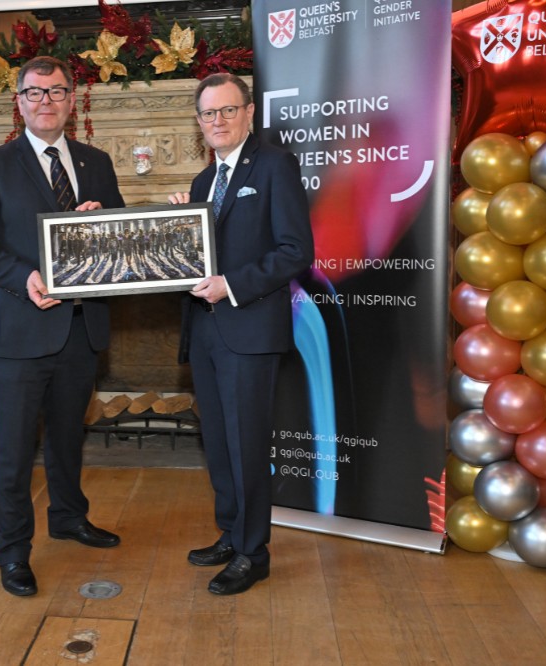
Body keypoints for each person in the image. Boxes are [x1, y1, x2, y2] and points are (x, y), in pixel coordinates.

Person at [0, 56, 125, 597]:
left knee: (67, 437)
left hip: (82, 328)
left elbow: (121, 235)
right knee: (11, 451)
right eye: (34, 93)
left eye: (56, 92)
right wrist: (26, 275)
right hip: (20, 332)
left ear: (72, 100)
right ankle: (11, 551)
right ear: (20, 102)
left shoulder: (96, 162)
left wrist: (100, 226)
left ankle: (69, 517)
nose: (45, 101)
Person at [169, 73, 314, 595]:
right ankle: (231, 533)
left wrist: (231, 284)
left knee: (248, 444)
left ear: (249, 112)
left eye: (227, 110)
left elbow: (296, 251)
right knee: (221, 443)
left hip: (250, 329)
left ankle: (255, 552)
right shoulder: (202, 183)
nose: (217, 121)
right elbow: (205, 255)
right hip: (206, 333)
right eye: (208, 114)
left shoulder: (274, 164)